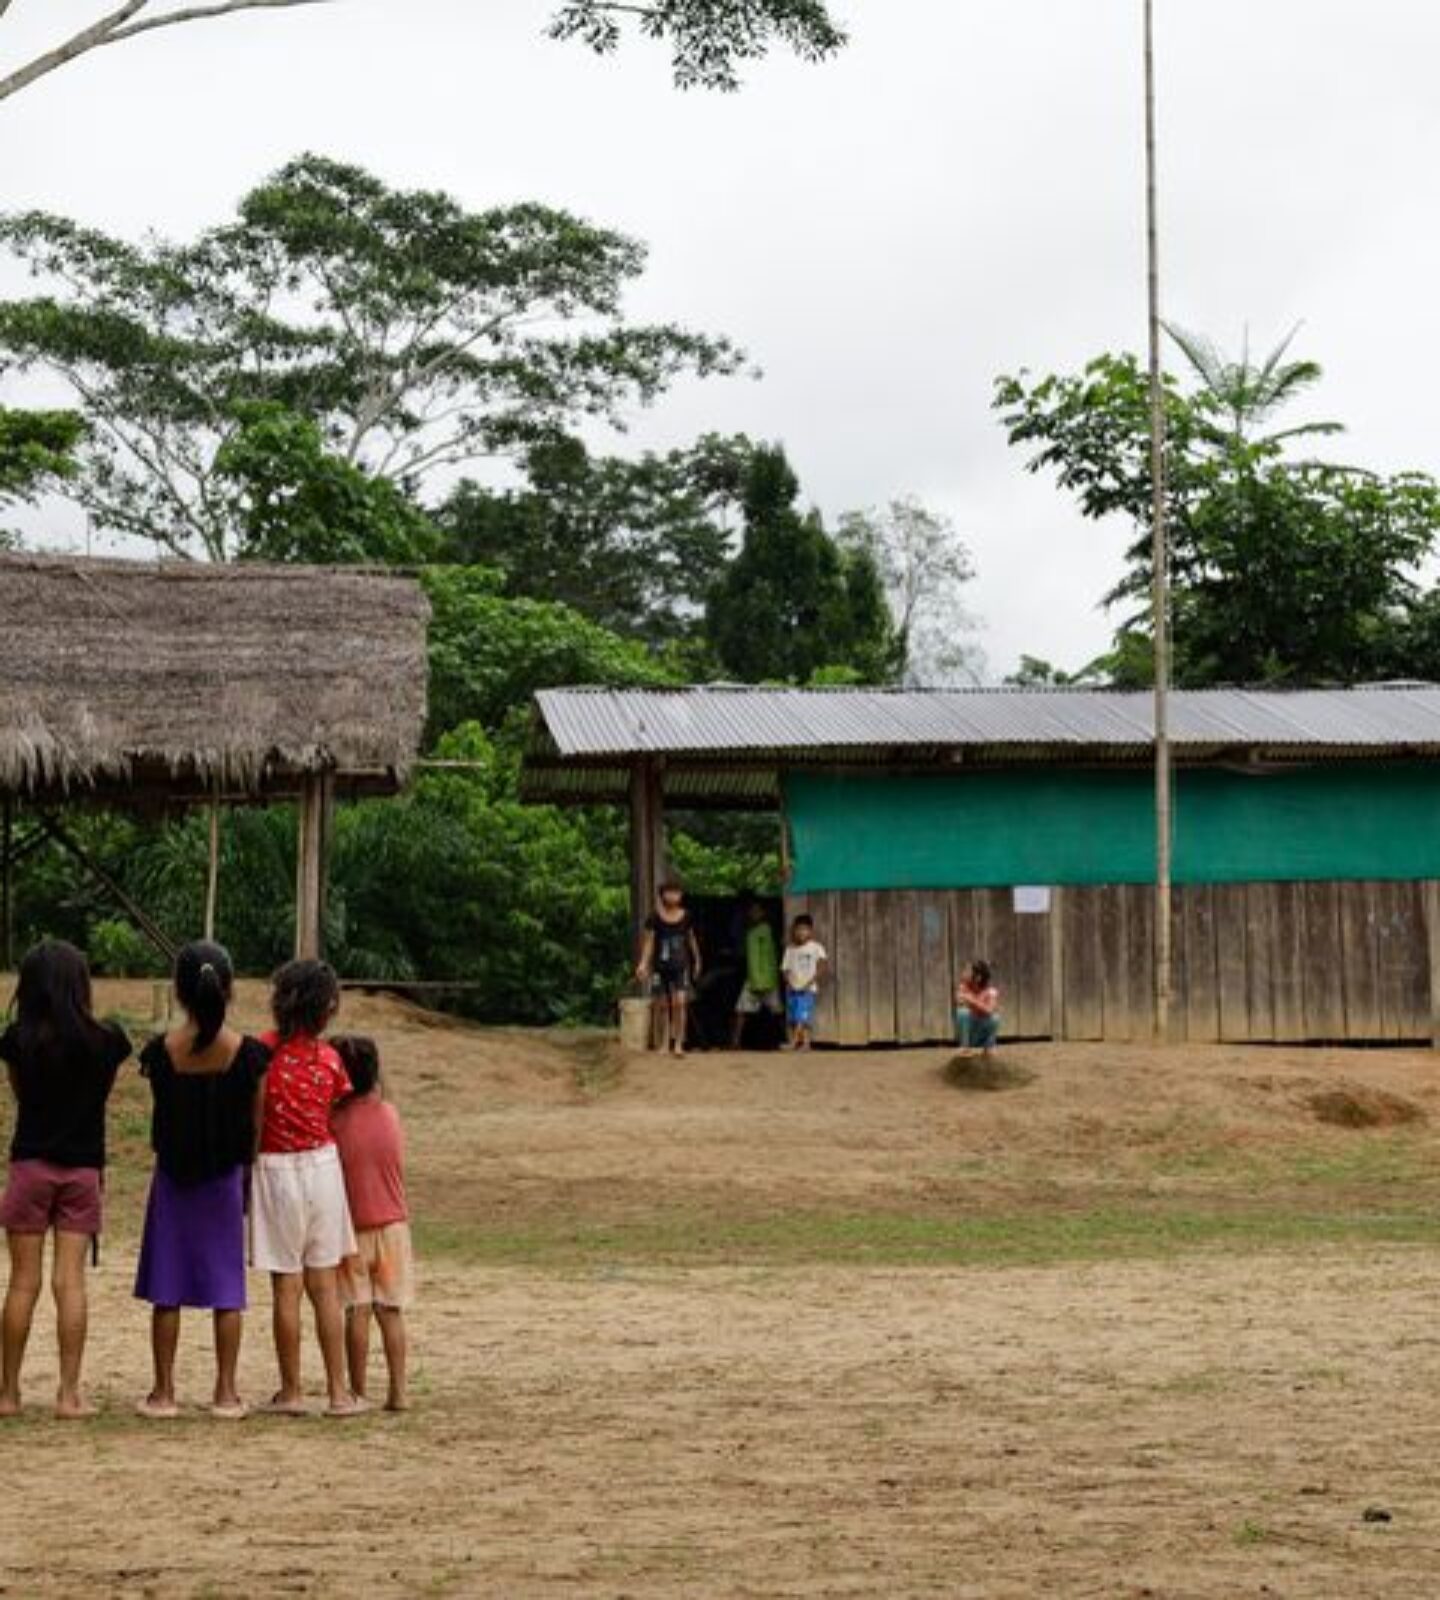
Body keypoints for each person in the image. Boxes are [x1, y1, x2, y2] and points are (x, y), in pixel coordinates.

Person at [133, 941, 270, 1421]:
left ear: (179, 992)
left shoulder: (162, 1052)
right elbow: (256, 1125)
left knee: (166, 1287)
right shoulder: (249, 1054)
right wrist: (245, 1175)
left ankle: (163, 1392)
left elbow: (165, 1117)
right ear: (229, 990)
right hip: (223, 1181)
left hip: (173, 1179)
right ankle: (226, 1392)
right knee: (226, 1289)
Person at [0, 939, 130, 1419]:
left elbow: (20, 1095)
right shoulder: (107, 1041)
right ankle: (69, 1394)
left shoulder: (17, 1040)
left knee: (22, 1283)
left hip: (30, 1165)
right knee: (69, 1282)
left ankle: (8, 1394)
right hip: (82, 1170)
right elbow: (100, 1097)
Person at [251, 959, 366, 1417]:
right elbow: (334, 1106)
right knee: (325, 1286)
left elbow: (256, 1115)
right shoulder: (331, 1060)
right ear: (326, 1008)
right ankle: (339, 1393)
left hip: (275, 1168)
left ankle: (292, 1391)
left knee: (286, 1288)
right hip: (323, 1167)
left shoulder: (261, 1052)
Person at [331, 1035, 413, 1413]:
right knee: (390, 1311)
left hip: (353, 1230)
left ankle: (358, 1390)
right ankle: (398, 1391)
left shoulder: (334, 1123)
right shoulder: (391, 1114)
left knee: (357, 1310)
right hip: (394, 1229)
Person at [635, 882, 702, 1057]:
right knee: (662, 1005)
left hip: (681, 966)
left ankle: (678, 1043)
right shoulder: (654, 917)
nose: (673, 896)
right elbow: (649, 943)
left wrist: (697, 960)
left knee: (680, 1002)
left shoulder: (687, 916)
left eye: (676, 892)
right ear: (662, 895)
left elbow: (691, 939)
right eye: (669, 892)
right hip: (660, 967)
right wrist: (643, 964)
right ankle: (664, 1043)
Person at [730, 900, 782, 1049]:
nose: (753, 913)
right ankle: (736, 1042)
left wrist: (761, 978)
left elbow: (766, 956)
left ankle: (781, 1040)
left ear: (763, 913)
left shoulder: (763, 931)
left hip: (762, 978)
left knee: (773, 1010)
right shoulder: (752, 932)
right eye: (751, 911)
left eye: (756, 911)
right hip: (757, 977)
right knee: (744, 1010)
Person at [780, 915, 829, 1052]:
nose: (801, 932)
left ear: (811, 931)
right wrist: (789, 982)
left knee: (802, 1016)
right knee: (795, 1017)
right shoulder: (790, 950)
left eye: (805, 929)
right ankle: (806, 1044)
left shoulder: (816, 947)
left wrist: (811, 981)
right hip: (793, 989)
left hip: (807, 989)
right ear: (794, 931)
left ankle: (794, 1043)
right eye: (799, 929)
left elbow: (822, 965)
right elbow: (785, 969)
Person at [955, 959, 1001, 1057]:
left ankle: (989, 1047)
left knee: (995, 1018)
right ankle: (965, 1047)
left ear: (978, 978)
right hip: (971, 1033)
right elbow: (960, 1002)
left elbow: (989, 1010)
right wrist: (975, 1004)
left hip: (983, 1032)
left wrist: (972, 1001)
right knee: (962, 1012)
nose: (964, 973)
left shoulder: (991, 991)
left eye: (968, 971)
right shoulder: (963, 987)